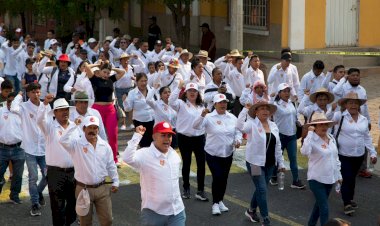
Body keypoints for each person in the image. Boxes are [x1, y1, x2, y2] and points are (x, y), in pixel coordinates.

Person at [123, 122, 185, 226]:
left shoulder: (174, 155)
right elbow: (127, 158)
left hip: (176, 212)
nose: (167, 139)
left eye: (169, 135)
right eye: (163, 135)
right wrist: (137, 136)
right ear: (154, 136)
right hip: (153, 213)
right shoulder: (145, 154)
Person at [60, 116, 119, 225]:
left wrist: (115, 181)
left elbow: (111, 165)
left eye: (95, 128)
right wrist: (73, 125)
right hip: (83, 189)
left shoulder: (105, 146)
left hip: (103, 188)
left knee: (108, 220)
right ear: (84, 129)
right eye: (90, 127)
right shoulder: (76, 144)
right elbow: (62, 140)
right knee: (85, 222)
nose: (93, 130)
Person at [237, 101, 285, 226]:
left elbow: (278, 146)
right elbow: (239, 127)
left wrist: (281, 164)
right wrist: (244, 111)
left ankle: (251, 210)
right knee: (262, 190)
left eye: (267, 109)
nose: (265, 111)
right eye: (262, 108)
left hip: (270, 164)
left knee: (260, 189)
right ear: (256, 112)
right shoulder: (251, 124)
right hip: (255, 164)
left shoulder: (273, 125)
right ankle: (266, 219)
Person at [193, 94, 242, 215]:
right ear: (214, 104)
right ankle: (215, 203)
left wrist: (238, 140)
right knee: (217, 177)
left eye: (224, 102)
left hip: (228, 152)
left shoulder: (232, 117)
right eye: (220, 102)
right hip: (212, 153)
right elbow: (195, 126)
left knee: (224, 178)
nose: (223, 104)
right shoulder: (208, 117)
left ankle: (220, 200)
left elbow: (238, 131)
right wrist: (201, 115)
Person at [332, 92, 377, 216]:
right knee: (346, 178)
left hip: (359, 155)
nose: (353, 105)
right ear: (345, 104)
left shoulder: (363, 119)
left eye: (355, 103)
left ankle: (350, 198)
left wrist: (373, 153)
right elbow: (325, 122)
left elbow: (367, 137)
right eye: (350, 102)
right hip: (343, 154)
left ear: (359, 105)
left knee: (352, 179)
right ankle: (346, 203)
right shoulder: (339, 116)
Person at [37, 96, 78, 225]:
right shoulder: (49, 126)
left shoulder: (75, 126)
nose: (64, 112)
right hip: (55, 173)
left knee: (73, 204)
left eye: (66, 109)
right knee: (57, 206)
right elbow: (39, 120)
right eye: (61, 109)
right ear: (55, 112)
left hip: (74, 172)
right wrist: (44, 103)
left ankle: (68, 222)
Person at [11, 83, 48, 216]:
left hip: (45, 149)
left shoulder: (46, 105)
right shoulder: (24, 107)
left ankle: (38, 192)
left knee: (47, 176)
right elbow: (13, 108)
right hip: (30, 149)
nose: (36, 94)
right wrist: (19, 95)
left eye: (38, 92)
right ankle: (35, 204)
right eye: (33, 92)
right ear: (28, 93)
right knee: (33, 177)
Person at [169, 81, 208, 201]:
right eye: (190, 90)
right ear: (185, 93)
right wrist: (178, 87)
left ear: (197, 93)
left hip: (199, 137)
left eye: (194, 91)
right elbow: (171, 101)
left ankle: (200, 190)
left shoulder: (202, 106)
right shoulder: (180, 103)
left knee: (201, 164)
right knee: (186, 163)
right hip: (184, 137)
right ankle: (186, 189)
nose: (192, 93)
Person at [301, 112, 342, 226]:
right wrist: (309, 133)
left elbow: (336, 158)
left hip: (330, 179)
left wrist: (339, 176)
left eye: (325, 124)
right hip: (316, 179)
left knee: (319, 206)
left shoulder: (331, 138)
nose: (324, 127)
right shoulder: (311, 139)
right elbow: (304, 152)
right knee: (324, 207)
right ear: (314, 127)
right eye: (320, 125)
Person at [332, 68, 372, 178]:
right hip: (345, 121)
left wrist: (368, 120)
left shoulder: (362, 90)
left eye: (357, 75)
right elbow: (335, 91)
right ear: (348, 76)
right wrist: (343, 79)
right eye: (353, 75)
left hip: (360, 120)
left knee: (362, 142)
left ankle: (362, 168)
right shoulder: (343, 87)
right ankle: (339, 169)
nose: (355, 77)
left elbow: (365, 106)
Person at [85, 61, 125, 164]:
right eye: (105, 72)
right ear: (100, 71)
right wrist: (97, 65)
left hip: (110, 109)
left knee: (113, 135)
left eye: (108, 73)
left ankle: (113, 160)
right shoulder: (94, 79)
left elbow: (122, 72)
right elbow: (87, 67)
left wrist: (112, 69)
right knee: (96, 135)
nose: (106, 75)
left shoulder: (111, 79)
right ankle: (97, 158)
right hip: (97, 109)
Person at [271, 83, 305, 189]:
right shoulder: (275, 105)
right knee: (277, 158)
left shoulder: (292, 103)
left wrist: (298, 122)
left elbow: (295, 117)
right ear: (279, 93)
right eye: (284, 91)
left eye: (288, 91)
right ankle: (273, 176)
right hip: (280, 136)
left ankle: (295, 181)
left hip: (292, 135)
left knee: (293, 158)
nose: (287, 93)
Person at [0, 92, 24, 205]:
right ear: (7, 102)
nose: (12, 104)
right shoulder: (0, 111)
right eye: (10, 102)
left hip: (19, 148)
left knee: (18, 175)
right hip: (2, 148)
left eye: (14, 102)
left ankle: (14, 196)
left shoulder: (22, 113)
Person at [124, 73, 154, 147]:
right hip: (140, 121)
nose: (144, 83)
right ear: (136, 82)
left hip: (153, 120)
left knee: (153, 142)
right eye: (141, 81)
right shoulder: (132, 93)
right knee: (144, 143)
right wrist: (125, 101)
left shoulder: (152, 90)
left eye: (145, 81)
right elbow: (128, 109)